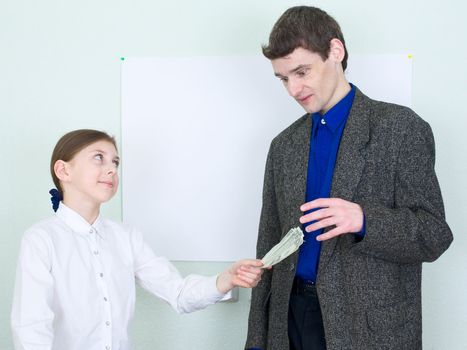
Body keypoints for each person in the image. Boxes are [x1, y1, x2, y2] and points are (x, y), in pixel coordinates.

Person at [245, 6, 453, 350]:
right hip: (291, 320)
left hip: (369, 329)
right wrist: (257, 339)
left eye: (301, 72)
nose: (293, 90)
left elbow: (434, 234)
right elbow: (268, 246)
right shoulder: (283, 146)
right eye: (284, 78)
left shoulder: (401, 129)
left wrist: (364, 219)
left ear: (335, 52)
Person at [11, 129, 264, 350]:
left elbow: (178, 294)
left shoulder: (126, 237)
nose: (111, 169)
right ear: (63, 170)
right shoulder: (41, 239)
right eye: (98, 158)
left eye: (115, 162)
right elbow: (31, 328)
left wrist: (226, 279)